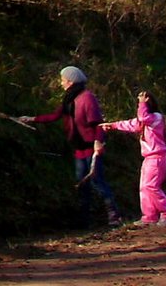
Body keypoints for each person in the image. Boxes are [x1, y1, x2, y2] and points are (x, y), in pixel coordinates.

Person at [16, 65, 123, 228]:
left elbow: (98, 124)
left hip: (91, 147)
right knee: (82, 184)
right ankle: (84, 220)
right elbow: (55, 115)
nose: (61, 83)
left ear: (71, 81)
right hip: (79, 148)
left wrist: (98, 142)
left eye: (63, 80)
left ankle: (114, 216)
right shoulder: (69, 99)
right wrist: (32, 119)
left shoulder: (87, 98)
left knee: (97, 181)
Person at [100, 91, 166, 225]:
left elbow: (142, 118)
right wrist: (112, 125)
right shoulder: (145, 121)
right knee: (144, 187)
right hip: (149, 157)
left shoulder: (157, 118)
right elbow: (129, 124)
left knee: (151, 186)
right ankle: (149, 216)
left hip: (157, 157)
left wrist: (142, 103)